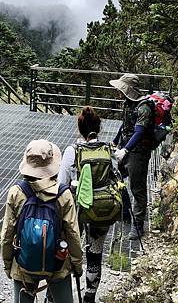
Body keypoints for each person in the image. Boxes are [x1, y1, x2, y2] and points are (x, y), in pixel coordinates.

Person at [1, 139, 83, 303]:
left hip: (23, 265)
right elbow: (73, 233)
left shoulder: (16, 192)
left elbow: (7, 233)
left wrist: (8, 264)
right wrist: (77, 264)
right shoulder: (63, 195)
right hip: (57, 264)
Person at [58, 107, 117, 303]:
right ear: (99, 127)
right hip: (102, 207)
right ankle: (89, 296)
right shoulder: (108, 149)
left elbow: (61, 183)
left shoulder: (72, 151)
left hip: (77, 209)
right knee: (95, 253)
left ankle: (60, 294)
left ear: (79, 128)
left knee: (66, 250)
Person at [109, 73, 154, 240]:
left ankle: (138, 225)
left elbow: (139, 131)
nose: (117, 92)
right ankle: (126, 211)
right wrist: (115, 142)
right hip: (125, 147)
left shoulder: (144, 108)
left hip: (138, 153)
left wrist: (125, 150)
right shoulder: (128, 104)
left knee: (137, 188)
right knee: (115, 177)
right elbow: (125, 125)